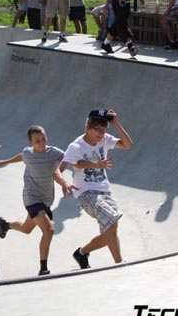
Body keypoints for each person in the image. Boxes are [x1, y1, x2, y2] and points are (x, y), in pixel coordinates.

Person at [55, 109, 134, 269]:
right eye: (97, 130)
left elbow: (128, 145)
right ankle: (119, 263)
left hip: (105, 191)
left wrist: (116, 123)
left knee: (111, 230)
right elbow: (58, 169)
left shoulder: (104, 139)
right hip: (86, 193)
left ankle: (82, 253)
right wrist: (64, 183)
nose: (101, 134)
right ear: (88, 128)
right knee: (111, 222)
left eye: (104, 130)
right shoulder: (76, 146)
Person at [0, 125, 72, 276]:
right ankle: (43, 269)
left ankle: (5, 225)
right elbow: (21, 156)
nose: (41, 143)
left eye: (43, 139)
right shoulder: (28, 153)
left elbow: (70, 157)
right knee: (49, 230)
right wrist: (5, 162)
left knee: (26, 229)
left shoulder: (54, 152)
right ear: (31, 143)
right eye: (37, 141)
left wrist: (67, 170)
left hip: (46, 199)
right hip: (31, 197)